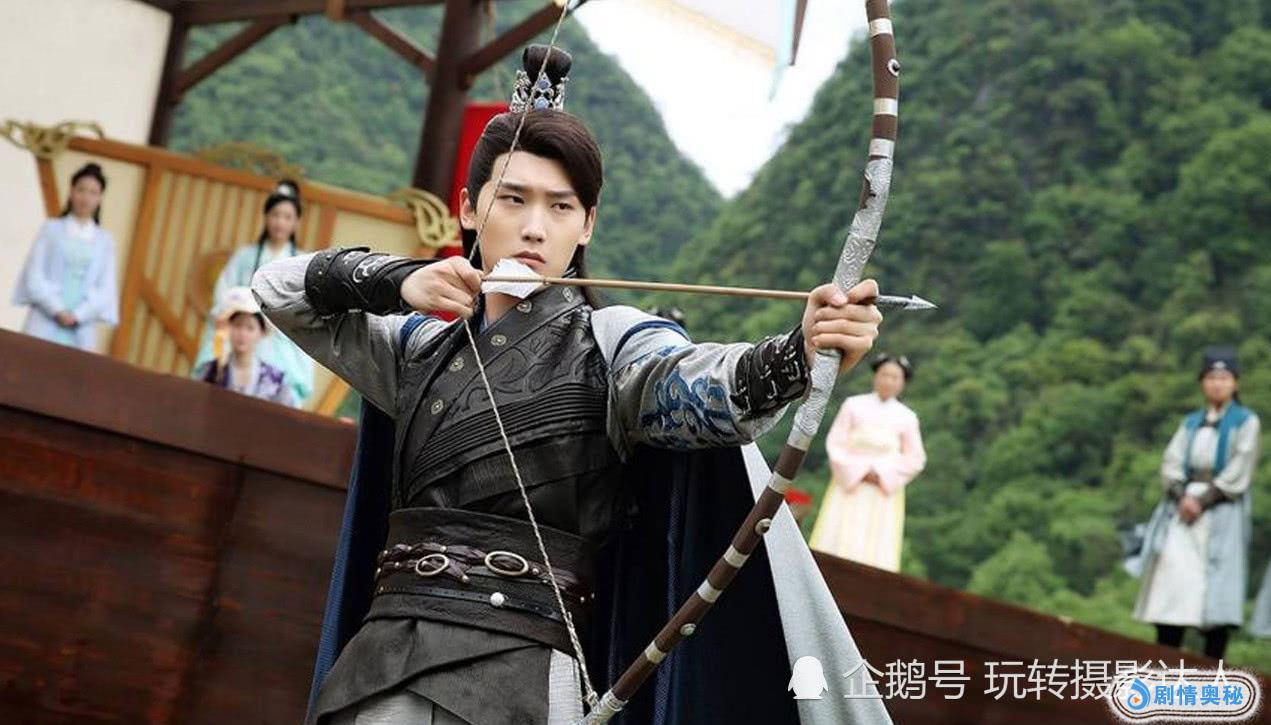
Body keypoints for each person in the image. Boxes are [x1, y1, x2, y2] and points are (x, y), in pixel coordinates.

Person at [253, 47, 893, 725]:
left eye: (560, 207)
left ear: (587, 223)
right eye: (513, 199)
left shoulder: (612, 343)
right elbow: (276, 290)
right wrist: (398, 279)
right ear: (468, 208)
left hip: (527, 673)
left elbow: (700, 388)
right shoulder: (415, 348)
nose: (534, 227)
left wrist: (799, 352)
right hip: (381, 663)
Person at [1130, 346, 1260, 660]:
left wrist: (1202, 501)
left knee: (1217, 586)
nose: (1217, 384)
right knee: (1172, 577)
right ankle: (1164, 656)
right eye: (1211, 378)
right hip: (1183, 507)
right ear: (1202, 382)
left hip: (1221, 507)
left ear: (1235, 383)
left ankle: (1213, 665)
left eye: (1224, 378)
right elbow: (1172, 462)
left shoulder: (1246, 422)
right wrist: (1181, 496)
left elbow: (1240, 467)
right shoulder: (1190, 423)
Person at [192, 179, 314, 407]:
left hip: (280, 337)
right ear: (266, 217)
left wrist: (277, 319)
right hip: (244, 326)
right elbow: (224, 293)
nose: (280, 222)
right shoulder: (245, 256)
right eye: (275, 215)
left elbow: (306, 305)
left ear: (296, 221)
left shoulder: (302, 262)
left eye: (287, 217)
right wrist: (242, 308)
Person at [808, 353, 926, 571]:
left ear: (902, 382)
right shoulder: (853, 405)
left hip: (882, 487)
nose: (888, 381)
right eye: (884, 375)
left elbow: (915, 458)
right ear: (876, 376)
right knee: (841, 530)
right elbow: (836, 443)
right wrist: (859, 471)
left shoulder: (907, 417)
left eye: (894, 377)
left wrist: (881, 474)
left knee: (877, 539)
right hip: (850, 482)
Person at [12, 162, 119, 351]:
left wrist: (79, 315)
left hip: (80, 329)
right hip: (45, 320)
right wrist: (57, 310)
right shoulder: (50, 229)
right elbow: (34, 276)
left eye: (93, 193)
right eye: (81, 190)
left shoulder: (105, 240)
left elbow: (106, 289)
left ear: (100, 198)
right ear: (71, 192)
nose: (86, 198)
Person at [192, 286, 294, 406]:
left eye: (250, 328)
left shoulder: (276, 381)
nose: (242, 334)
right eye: (237, 325)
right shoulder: (211, 372)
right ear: (228, 328)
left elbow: (286, 414)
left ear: (262, 332)